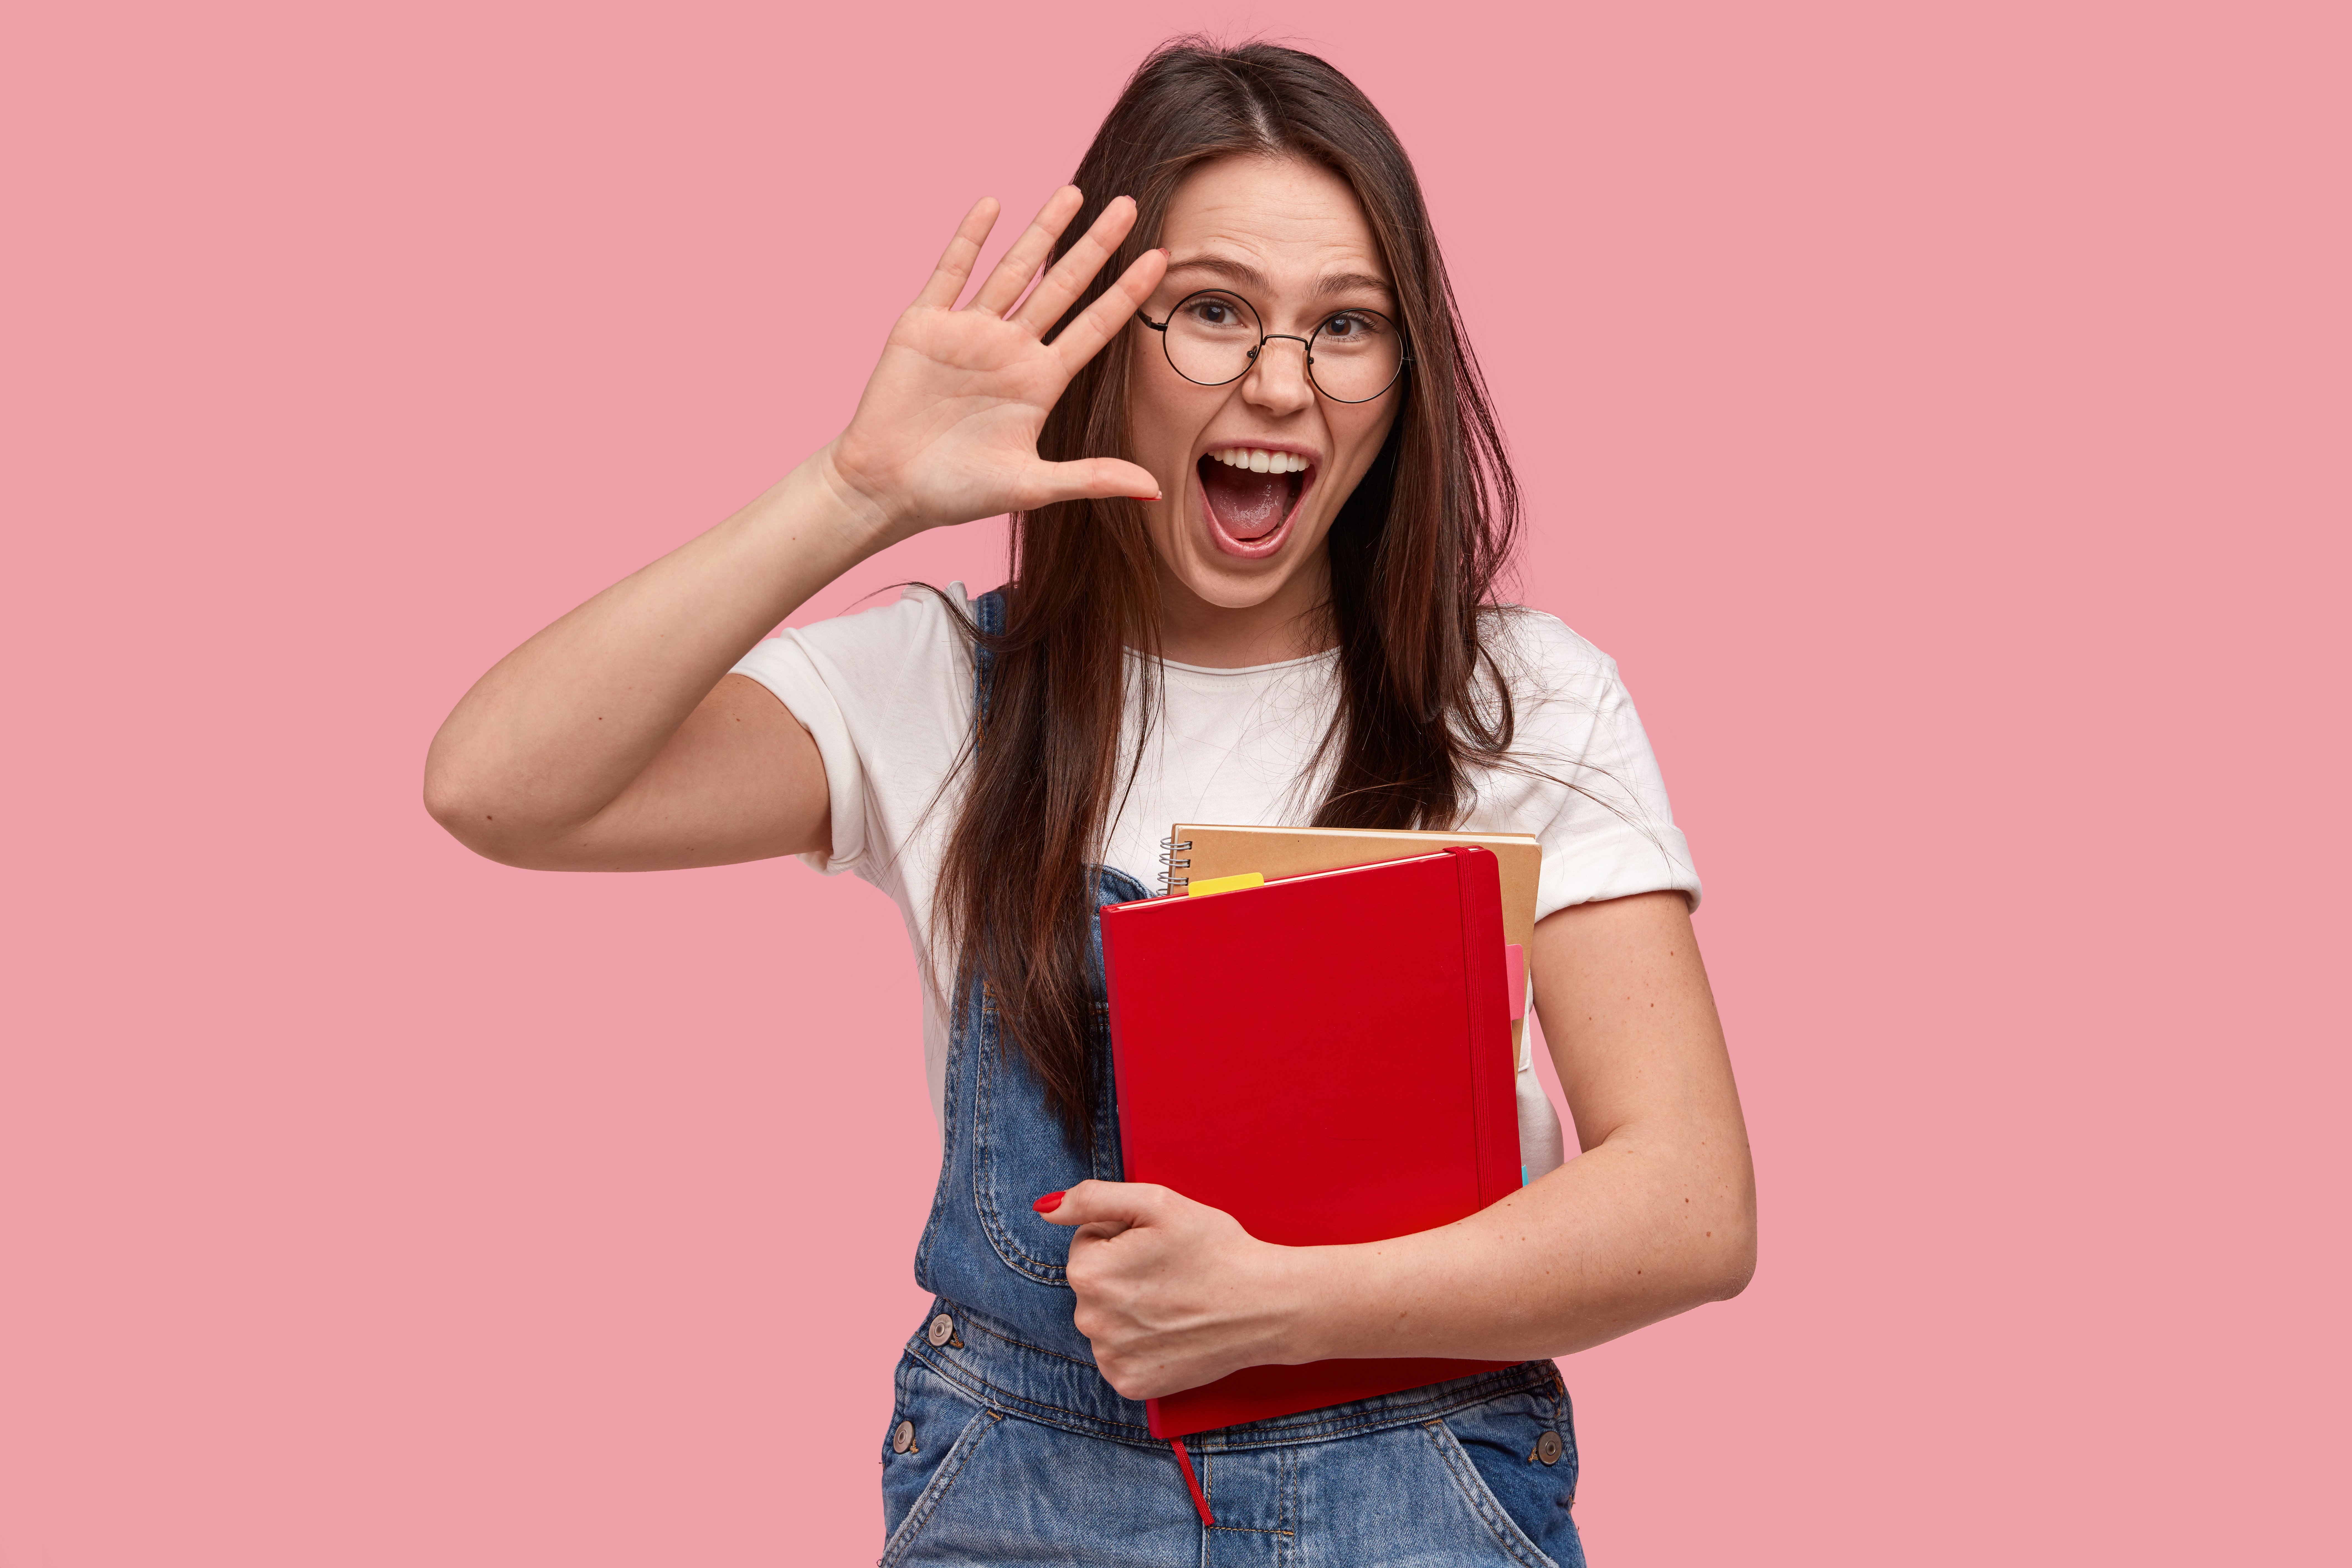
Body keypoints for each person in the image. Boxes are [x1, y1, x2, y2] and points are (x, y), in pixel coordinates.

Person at [425, 38, 1755, 1567]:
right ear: (1106, 344)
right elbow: (496, 786)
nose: (1278, 382)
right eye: (1212, 312)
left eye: (1348, 326)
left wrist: (1285, 1305)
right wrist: (855, 492)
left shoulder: (1520, 697)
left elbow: (1688, 1203)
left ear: (1408, 372)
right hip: (1020, 1495)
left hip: (1424, 1488)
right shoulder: (935, 688)